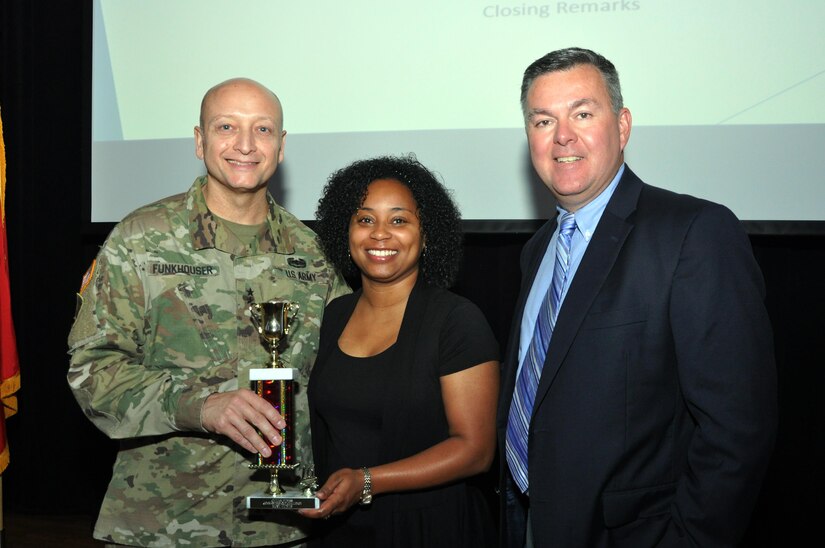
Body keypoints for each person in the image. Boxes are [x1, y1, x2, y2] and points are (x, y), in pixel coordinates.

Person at [497, 48, 777, 547]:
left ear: (622, 126)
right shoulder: (537, 251)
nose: (562, 136)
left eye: (582, 113)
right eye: (543, 120)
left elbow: (736, 430)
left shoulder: (694, 233)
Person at [67, 78, 349, 547]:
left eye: (262, 130)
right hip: (162, 523)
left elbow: (345, 376)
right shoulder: (141, 239)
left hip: (279, 527)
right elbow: (93, 372)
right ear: (200, 141)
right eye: (226, 127)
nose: (244, 145)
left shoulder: (315, 254)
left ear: (281, 147)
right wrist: (200, 407)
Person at [300, 155, 500, 547]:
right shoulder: (334, 315)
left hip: (431, 529)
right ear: (347, 231)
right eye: (364, 219)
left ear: (426, 236)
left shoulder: (456, 320)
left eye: (398, 220)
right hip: (340, 531)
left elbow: (475, 450)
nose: (379, 234)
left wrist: (368, 481)